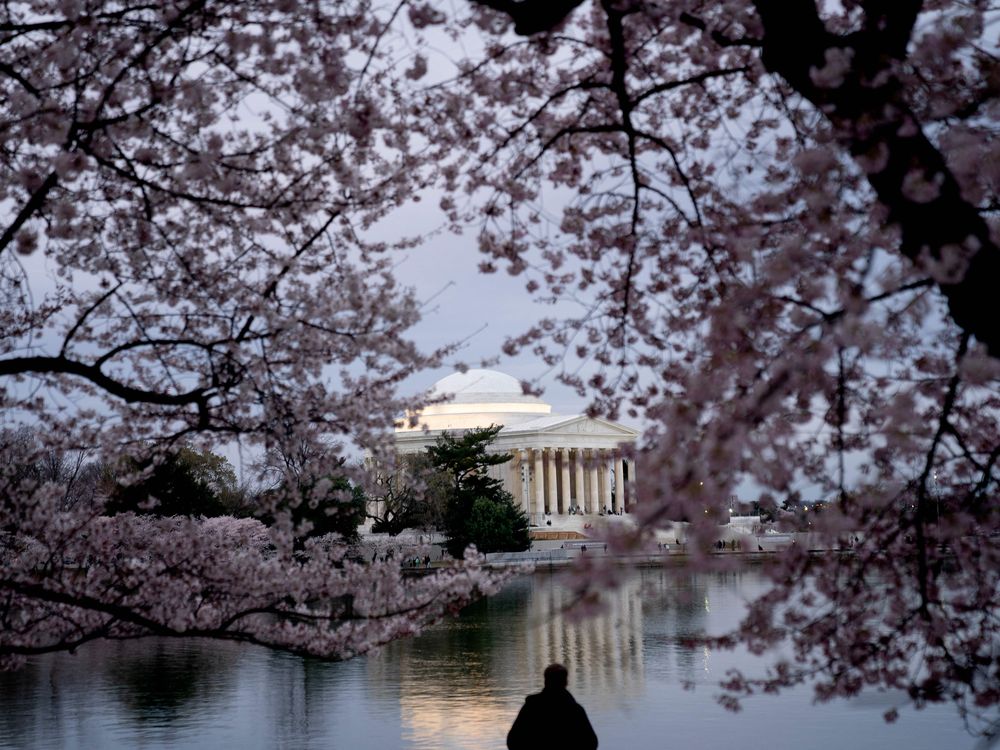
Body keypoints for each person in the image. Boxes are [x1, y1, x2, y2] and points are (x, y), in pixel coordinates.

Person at [507, 663, 598, 750]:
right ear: (565, 682)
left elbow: (512, 741)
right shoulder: (575, 710)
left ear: (546, 681)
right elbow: (591, 743)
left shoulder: (530, 707)